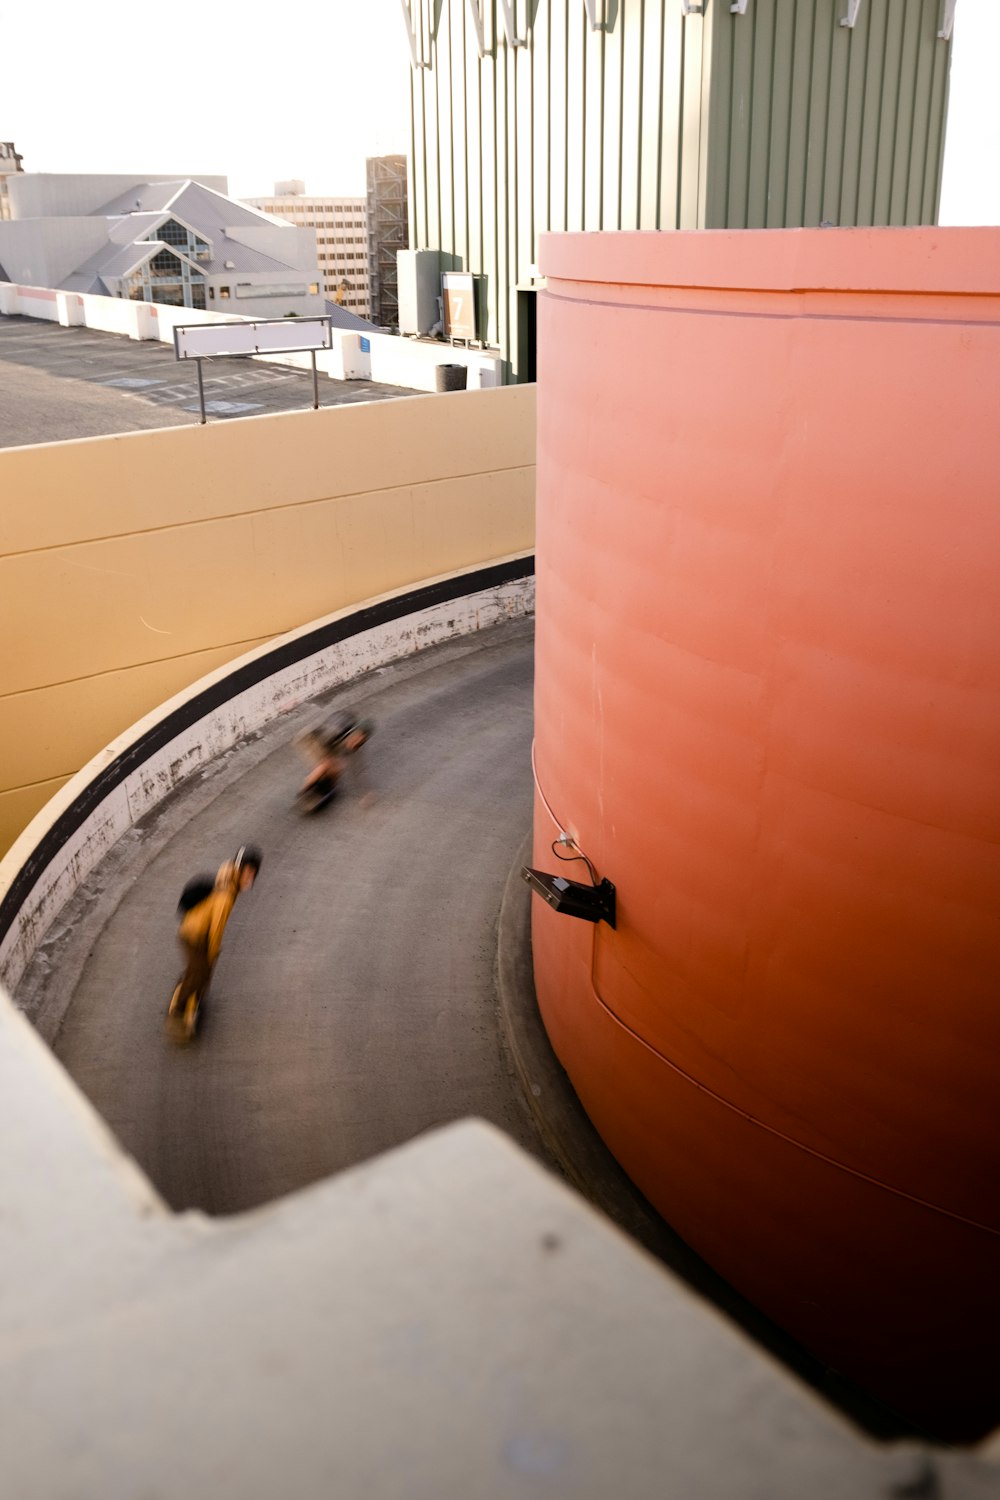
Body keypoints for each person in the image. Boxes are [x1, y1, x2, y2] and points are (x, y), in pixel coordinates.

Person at [168, 845, 262, 1037]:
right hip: (195, 935)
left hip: (192, 928)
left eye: (253, 873)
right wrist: (213, 953)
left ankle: (188, 992)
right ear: (240, 867)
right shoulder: (226, 895)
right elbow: (216, 929)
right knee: (201, 974)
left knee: (198, 971)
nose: (249, 877)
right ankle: (178, 1010)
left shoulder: (227, 874)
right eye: (247, 871)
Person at [295, 710, 372, 810]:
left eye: (361, 740)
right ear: (353, 731)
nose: (356, 742)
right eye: (356, 738)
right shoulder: (336, 731)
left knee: (339, 765)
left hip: (330, 743)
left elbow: (357, 768)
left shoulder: (355, 742)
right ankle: (303, 793)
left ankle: (330, 787)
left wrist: (364, 793)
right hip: (311, 739)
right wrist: (331, 762)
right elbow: (322, 747)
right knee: (326, 764)